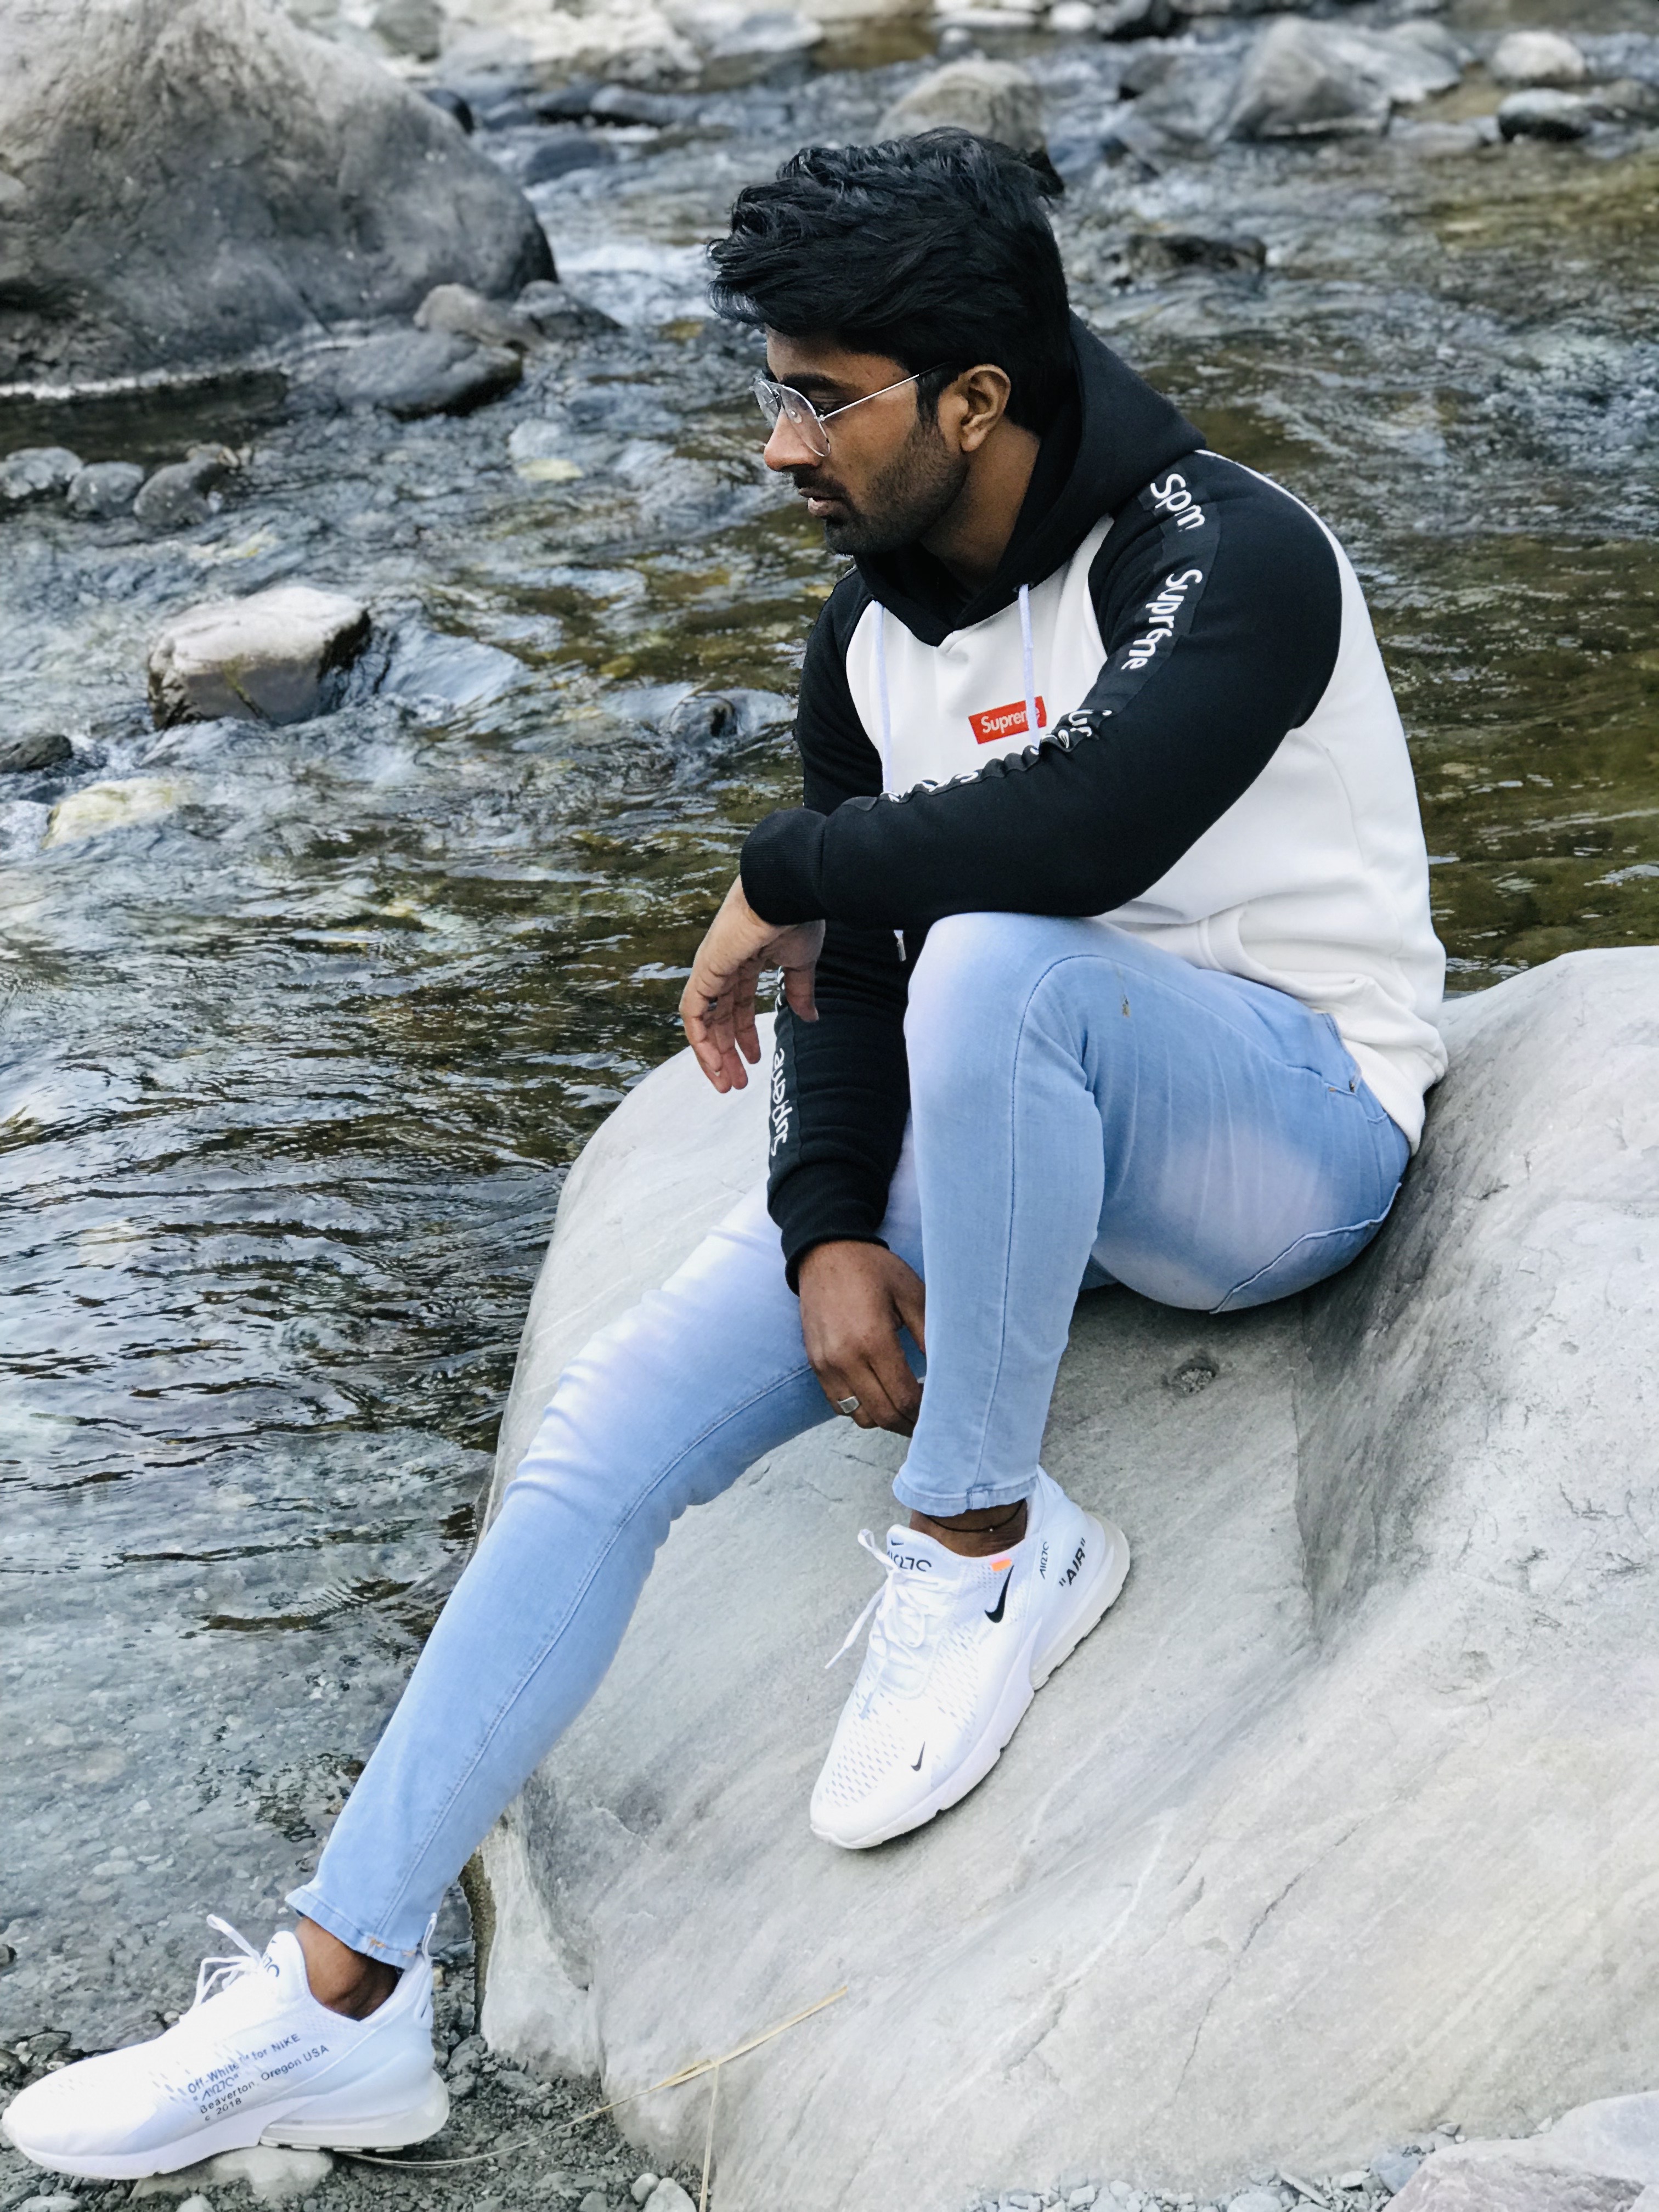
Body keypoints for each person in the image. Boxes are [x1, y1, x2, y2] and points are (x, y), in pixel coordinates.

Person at [2, 129, 1446, 2181]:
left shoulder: (1228, 552)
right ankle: (338, 1999)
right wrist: (830, 1224)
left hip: (1289, 1138)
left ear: (974, 398)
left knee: (1009, 957)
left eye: (817, 400)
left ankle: (985, 1542)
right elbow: (858, 978)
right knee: (602, 1433)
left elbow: (1076, 843)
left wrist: (779, 867)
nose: (777, 447)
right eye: (769, 391)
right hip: (1011, 1125)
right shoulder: (869, 641)